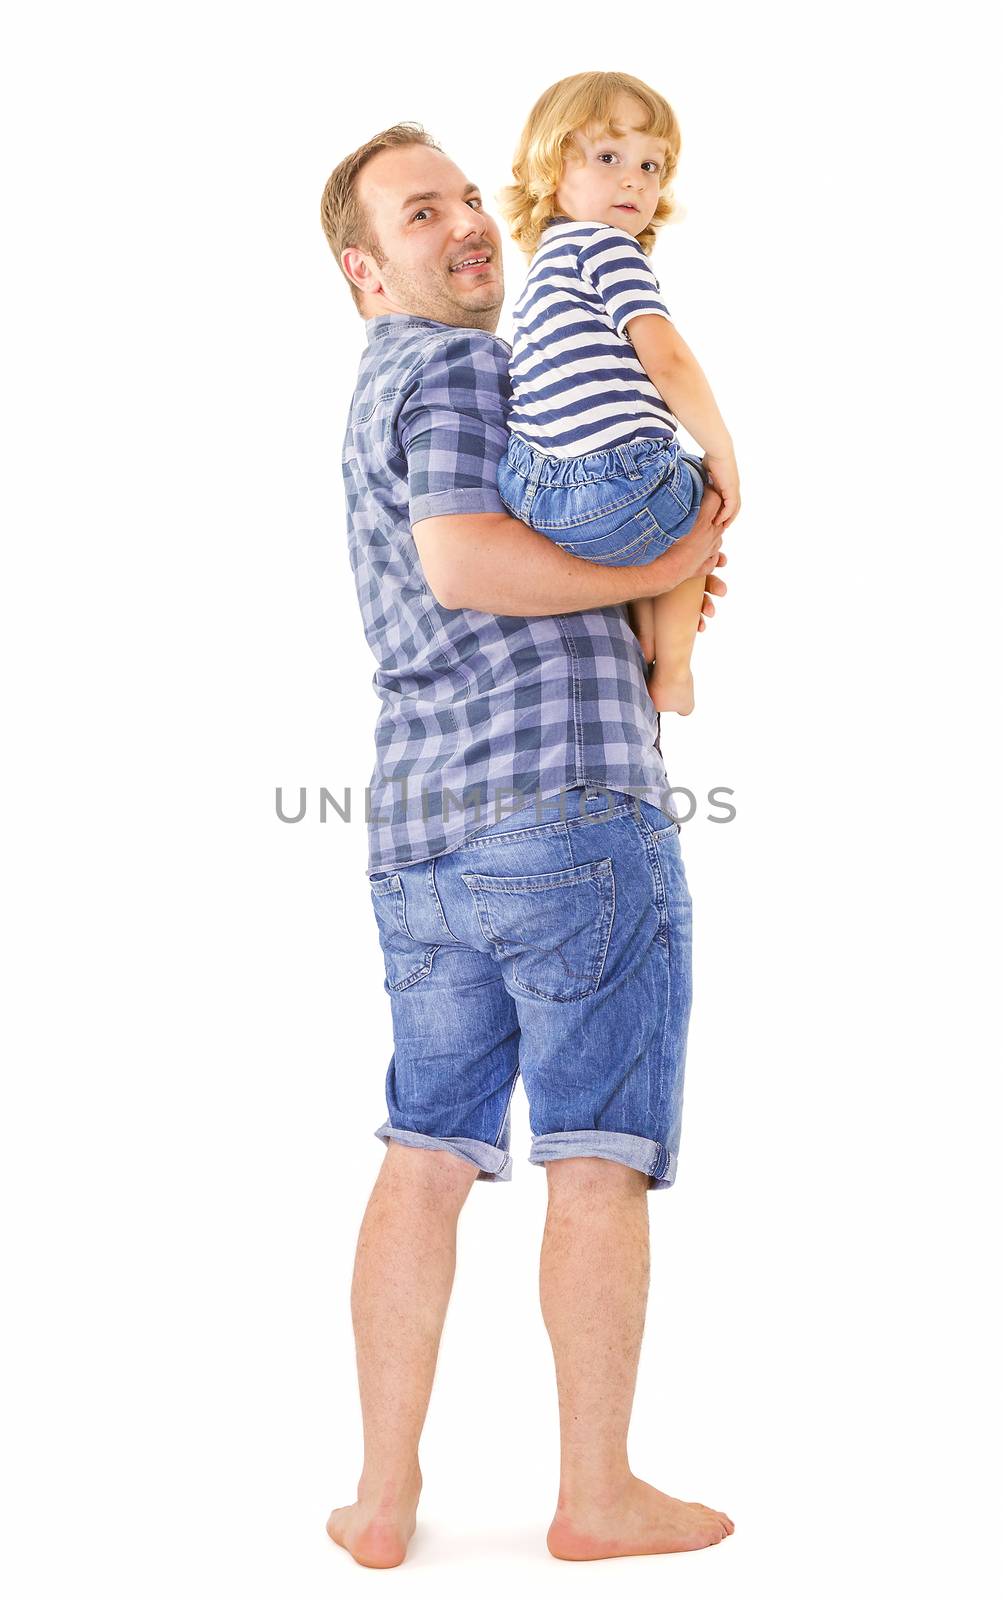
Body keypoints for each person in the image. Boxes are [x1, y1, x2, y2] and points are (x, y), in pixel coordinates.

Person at [318, 122, 734, 1568]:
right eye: (418, 216)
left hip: (423, 836)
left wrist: (632, 603)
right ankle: (597, 1495)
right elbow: (464, 563)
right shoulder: (452, 366)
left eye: (466, 200)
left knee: (422, 1152)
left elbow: (464, 589)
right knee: (594, 1155)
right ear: (366, 273)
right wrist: (667, 559)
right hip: (559, 814)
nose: (466, 227)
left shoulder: (385, 385)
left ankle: (379, 1504)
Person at [498, 71, 741, 718]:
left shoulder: (545, 264)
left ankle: (641, 626)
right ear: (549, 169)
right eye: (608, 157)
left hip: (532, 498)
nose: (634, 178)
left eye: (650, 164)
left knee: (656, 512)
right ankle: (674, 668)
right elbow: (667, 360)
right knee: (701, 503)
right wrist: (721, 454)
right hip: (615, 491)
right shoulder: (610, 251)